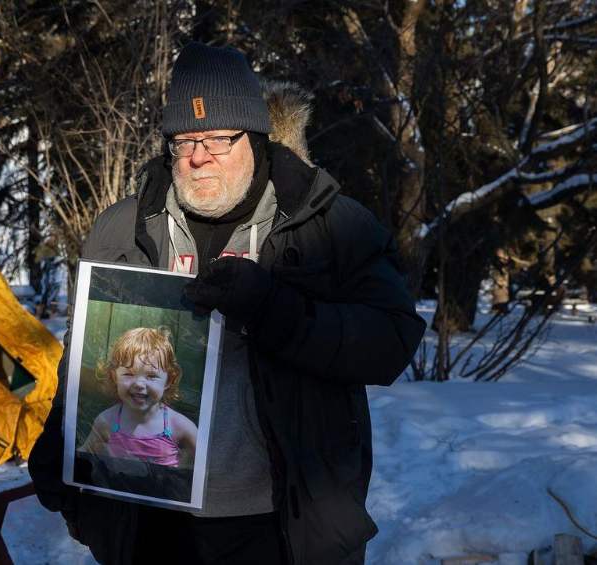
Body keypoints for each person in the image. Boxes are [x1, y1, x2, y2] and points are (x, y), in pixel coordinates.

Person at [29, 42, 427, 565]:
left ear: (256, 136)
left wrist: (275, 311)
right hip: (149, 521)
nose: (199, 156)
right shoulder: (122, 227)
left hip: (278, 522)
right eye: (184, 141)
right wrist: (62, 438)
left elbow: (391, 342)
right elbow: (81, 350)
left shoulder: (328, 222)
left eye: (219, 138)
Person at [79, 327, 197, 467]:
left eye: (151, 376)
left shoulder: (179, 426)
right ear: (115, 377)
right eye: (129, 374)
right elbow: (83, 455)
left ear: (169, 381)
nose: (139, 384)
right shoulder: (106, 421)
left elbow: (207, 467)